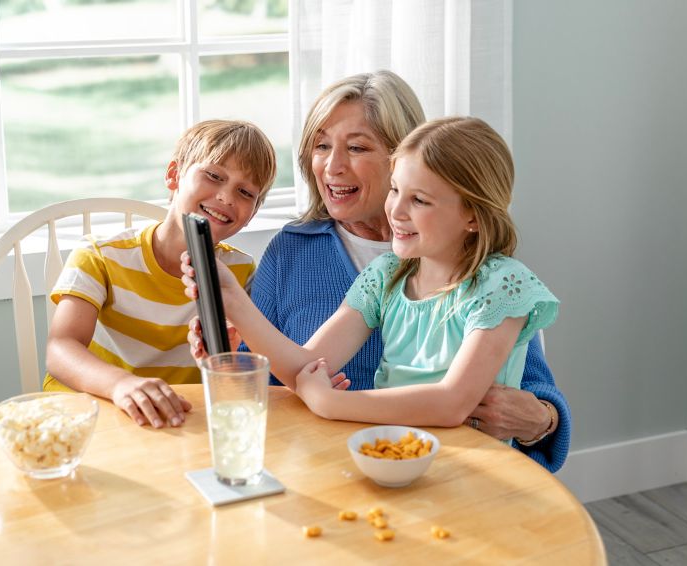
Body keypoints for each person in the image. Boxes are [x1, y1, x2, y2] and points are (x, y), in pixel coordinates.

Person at [191, 71, 570, 472]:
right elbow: (290, 370)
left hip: (461, 468)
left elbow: (514, 394)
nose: (332, 166)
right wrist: (230, 314)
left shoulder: (496, 282)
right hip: (352, 463)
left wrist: (543, 419)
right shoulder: (351, 265)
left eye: (356, 147)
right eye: (321, 146)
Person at [44, 119, 277, 429]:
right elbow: (61, 349)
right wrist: (120, 385)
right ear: (174, 176)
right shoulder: (100, 256)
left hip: (177, 420)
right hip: (89, 415)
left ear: (252, 214)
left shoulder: (241, 274)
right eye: (213, 176)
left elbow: (237, 374)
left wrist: (229, 355)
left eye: (245, 192)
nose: (226, 197)